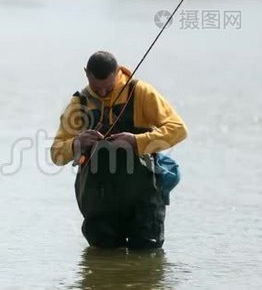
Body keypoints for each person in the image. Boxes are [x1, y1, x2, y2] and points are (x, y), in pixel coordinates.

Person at [50, 51, 187, 249]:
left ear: (117, 72)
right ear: (86, 74)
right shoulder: (79, 104)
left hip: (144, 203)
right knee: (103, 263)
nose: (103, 93)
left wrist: (137, 142)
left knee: (146, 256)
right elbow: (56, 154)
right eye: (97, 89)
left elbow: (179, 129)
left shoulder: (140, 92)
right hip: (99, 206)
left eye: (108, 87)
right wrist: (76, 143)